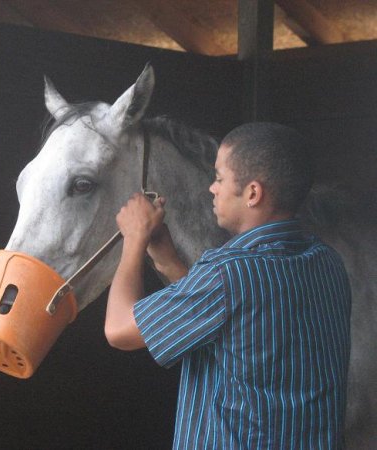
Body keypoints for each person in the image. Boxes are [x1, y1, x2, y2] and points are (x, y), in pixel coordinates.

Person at [105, 122, 351, 449]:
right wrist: (166, 259)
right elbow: (232, 331)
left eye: (220, 178)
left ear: (252, 193)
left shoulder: (228, 272)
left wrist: (133, 240)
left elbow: (119, 330)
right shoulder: (329, 264)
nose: (212, 188)